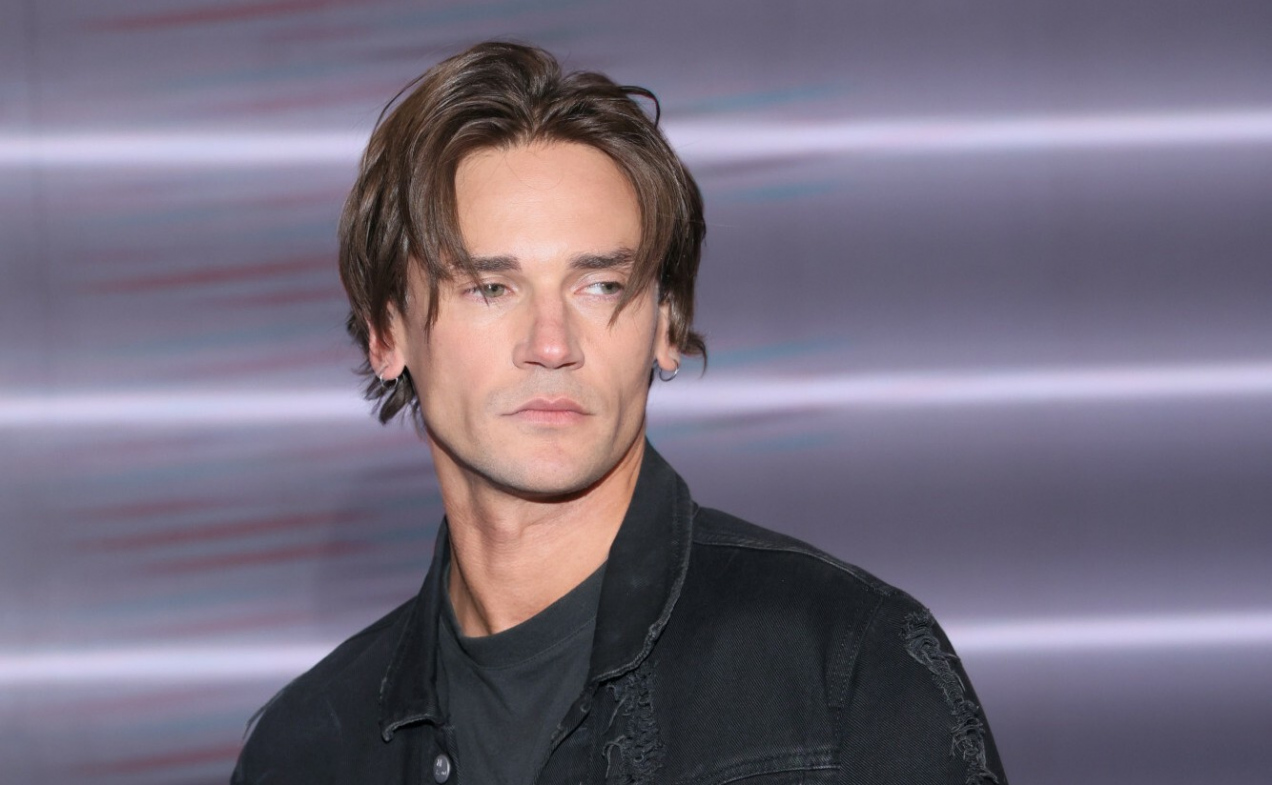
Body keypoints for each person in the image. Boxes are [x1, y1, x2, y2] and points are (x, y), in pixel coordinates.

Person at [232, 41, 1008, 785]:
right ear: (386, 333)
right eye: (490, 287)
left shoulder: (845, 664)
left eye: (600, 285)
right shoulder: (306, 749)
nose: (551, 344)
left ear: (665, 326)